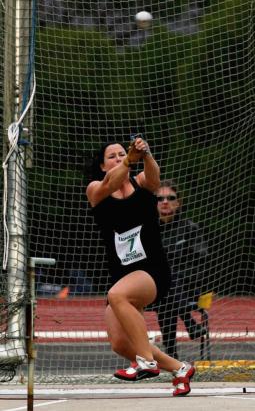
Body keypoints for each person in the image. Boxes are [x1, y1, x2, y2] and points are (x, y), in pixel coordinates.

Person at [85, 136, 195, 396]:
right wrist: (130, 160)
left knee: (117, 295)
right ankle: (180, 368)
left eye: (123, 154)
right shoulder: (95, 188)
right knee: (121, 343)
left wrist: (145, 155)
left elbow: (155, 180)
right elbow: (111, 182)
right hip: (123, 275)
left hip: (153, 271)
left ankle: (146, 362)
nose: (119, 158)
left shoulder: (141, 182)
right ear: (102, 166)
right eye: (112, 156)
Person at [154, 179, 208, 359]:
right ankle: (189, 322)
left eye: (170, 197)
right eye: (159, 198)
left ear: (178, 202)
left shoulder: (190, 228)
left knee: (168, 287)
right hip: (155, 289)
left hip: (188, 287)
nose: (165, 202)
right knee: (165, 284)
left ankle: (171, 355)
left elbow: (200, 261)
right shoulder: (149, 229)